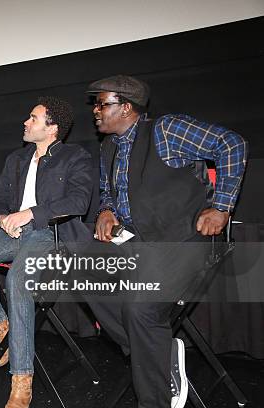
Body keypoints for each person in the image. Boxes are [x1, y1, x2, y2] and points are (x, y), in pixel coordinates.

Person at [86, 75, 247, 408]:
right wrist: (105, 210)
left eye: (103, 104)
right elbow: (107, 192)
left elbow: (232, 144)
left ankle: (155, 398)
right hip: (136, 239)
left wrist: (221, 207)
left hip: (183, 238)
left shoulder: (166, 130)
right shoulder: (108, 147)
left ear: (126, 107)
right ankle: (158, 352)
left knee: (140, 307)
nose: (96, 111)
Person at [0, 97, 93, 408]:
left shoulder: (75, 157)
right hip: (14, 232)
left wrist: (30, 213)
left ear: (52, 127)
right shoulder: (16, 159)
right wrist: (3, 218)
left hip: (50, 234)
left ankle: (21, 381)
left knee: (17, 280)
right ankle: (4, 331)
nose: (26, 123)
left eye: (33, 118)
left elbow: (78, 202)